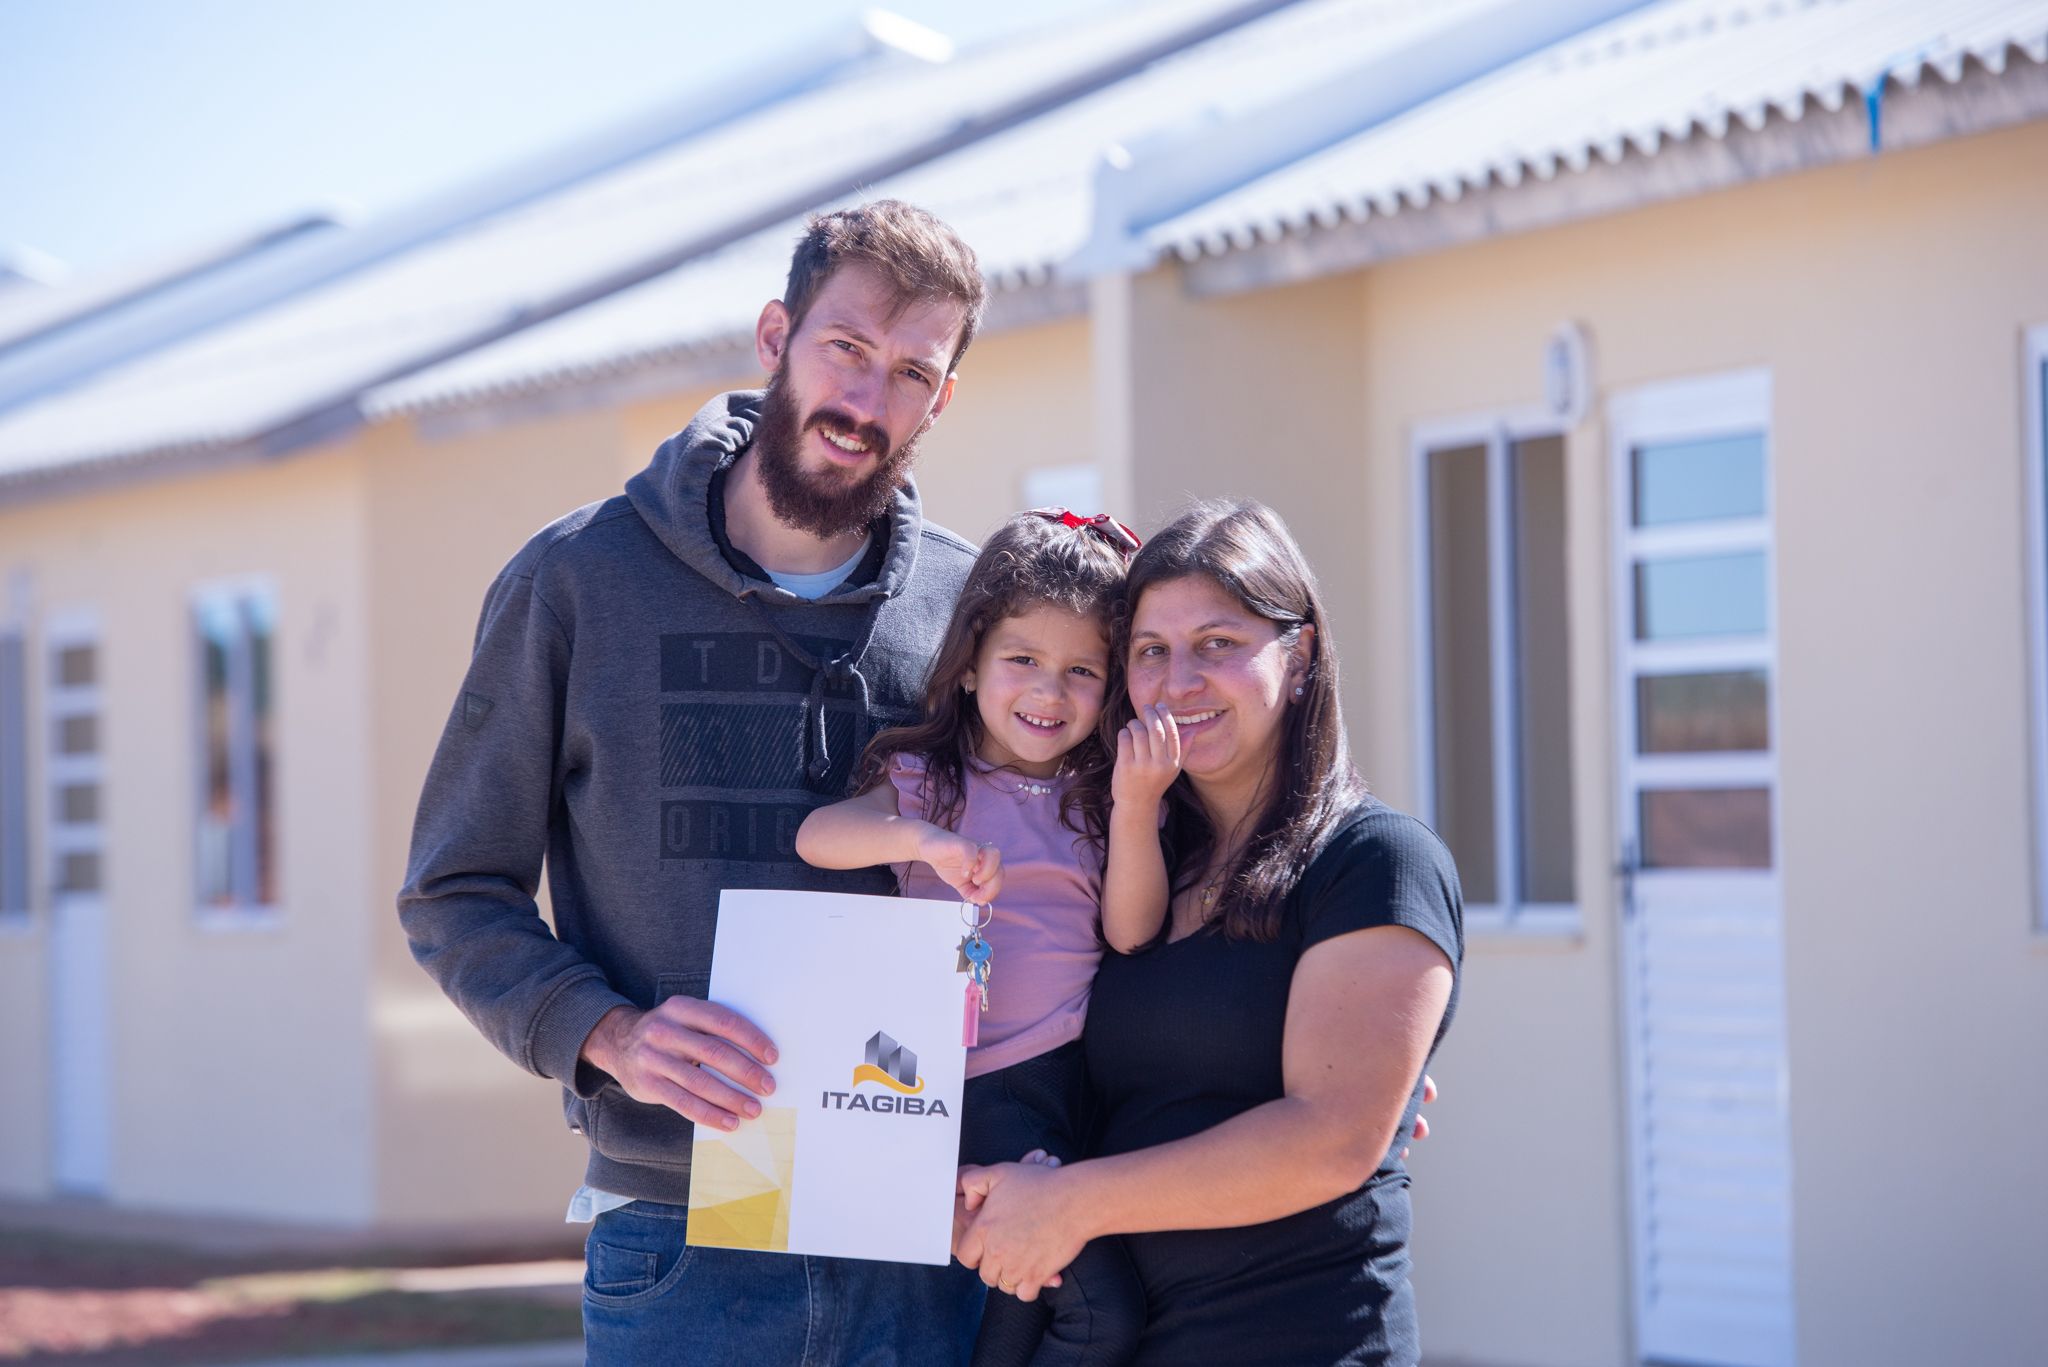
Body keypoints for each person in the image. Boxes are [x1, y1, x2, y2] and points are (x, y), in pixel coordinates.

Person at [398, 200, 992, 1366]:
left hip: (922, 1226)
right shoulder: (577, 579)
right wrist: (607, 1032)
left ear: (942, 399)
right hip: (679, 1228)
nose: (867, 402)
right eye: (845, 349)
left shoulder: (975, 610)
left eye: (912, 372)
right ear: (774, 335)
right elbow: (453, 889)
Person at [953, 500, 1464, 1367]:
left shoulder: (1378, 859)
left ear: (1298, 657)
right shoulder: (1138, 864)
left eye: (1219, 644)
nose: (1179, 680)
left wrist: (1071, 1203)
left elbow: (1331, 1138)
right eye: (1152, 651)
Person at [795, 508, 1171, 1367]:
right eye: (1024, 661)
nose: (1049, 691)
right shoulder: (933, 781)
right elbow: (819, 836)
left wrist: (1140, 806)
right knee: (1096, 1311)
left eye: (1082, 670)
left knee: (1027, 1294)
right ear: (968, 666)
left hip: (1072, 1089)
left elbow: (1131, 928)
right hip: (975, 1091)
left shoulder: (1102, 796)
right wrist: (924, 840)